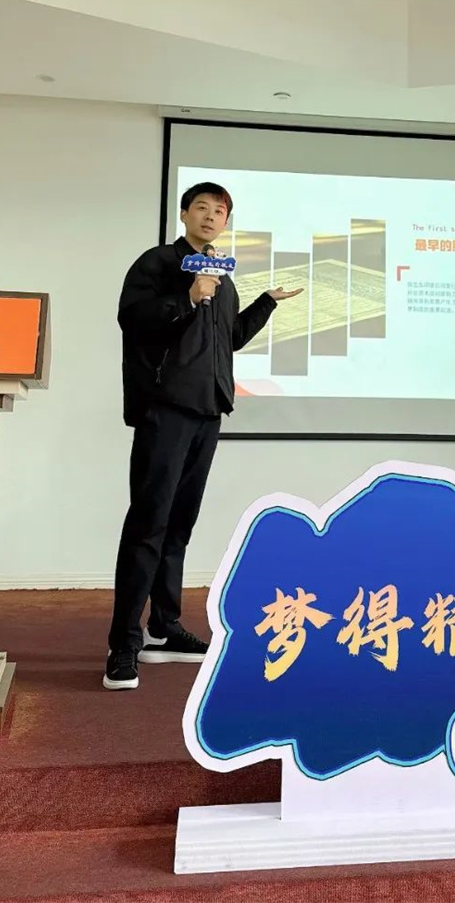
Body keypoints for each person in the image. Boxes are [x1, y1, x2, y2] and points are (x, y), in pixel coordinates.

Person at [103, 181, 303, 690]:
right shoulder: (158, 263)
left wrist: (266, 303)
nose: (211, 217)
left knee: (179, 525)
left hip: (208, 410)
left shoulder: (222, 275)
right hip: (165, 408)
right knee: (148, 524)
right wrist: (187, 297)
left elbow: (228, 338)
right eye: (202, 208)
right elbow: (132, 318)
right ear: (184, 214)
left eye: (220, 211)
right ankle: (123, 643)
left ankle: (164, 628)